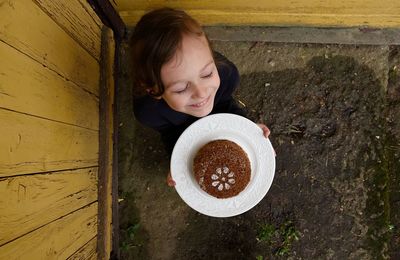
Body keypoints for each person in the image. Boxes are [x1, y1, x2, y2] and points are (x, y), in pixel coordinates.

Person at [131, 8, 270, 186]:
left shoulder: (227, 76)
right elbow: (170, 133)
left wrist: (248, 130)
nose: (201, 93)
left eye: (206, 74)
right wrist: (178, 160)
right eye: (181, 88)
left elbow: (226, 106)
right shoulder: (149, 112)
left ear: (212, 59)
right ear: (153, 90)